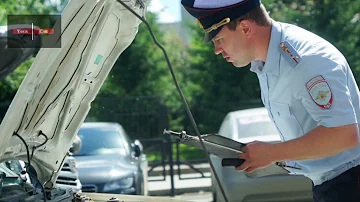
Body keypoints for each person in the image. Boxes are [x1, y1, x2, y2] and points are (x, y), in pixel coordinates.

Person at [181, 0, 360, 201]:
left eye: (219, 39)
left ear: (245, 28)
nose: (217, 50)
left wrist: (271, 153)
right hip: (333, 184)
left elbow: (344, 135)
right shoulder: (267, 61)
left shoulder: (305, 60)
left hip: (350, 181)